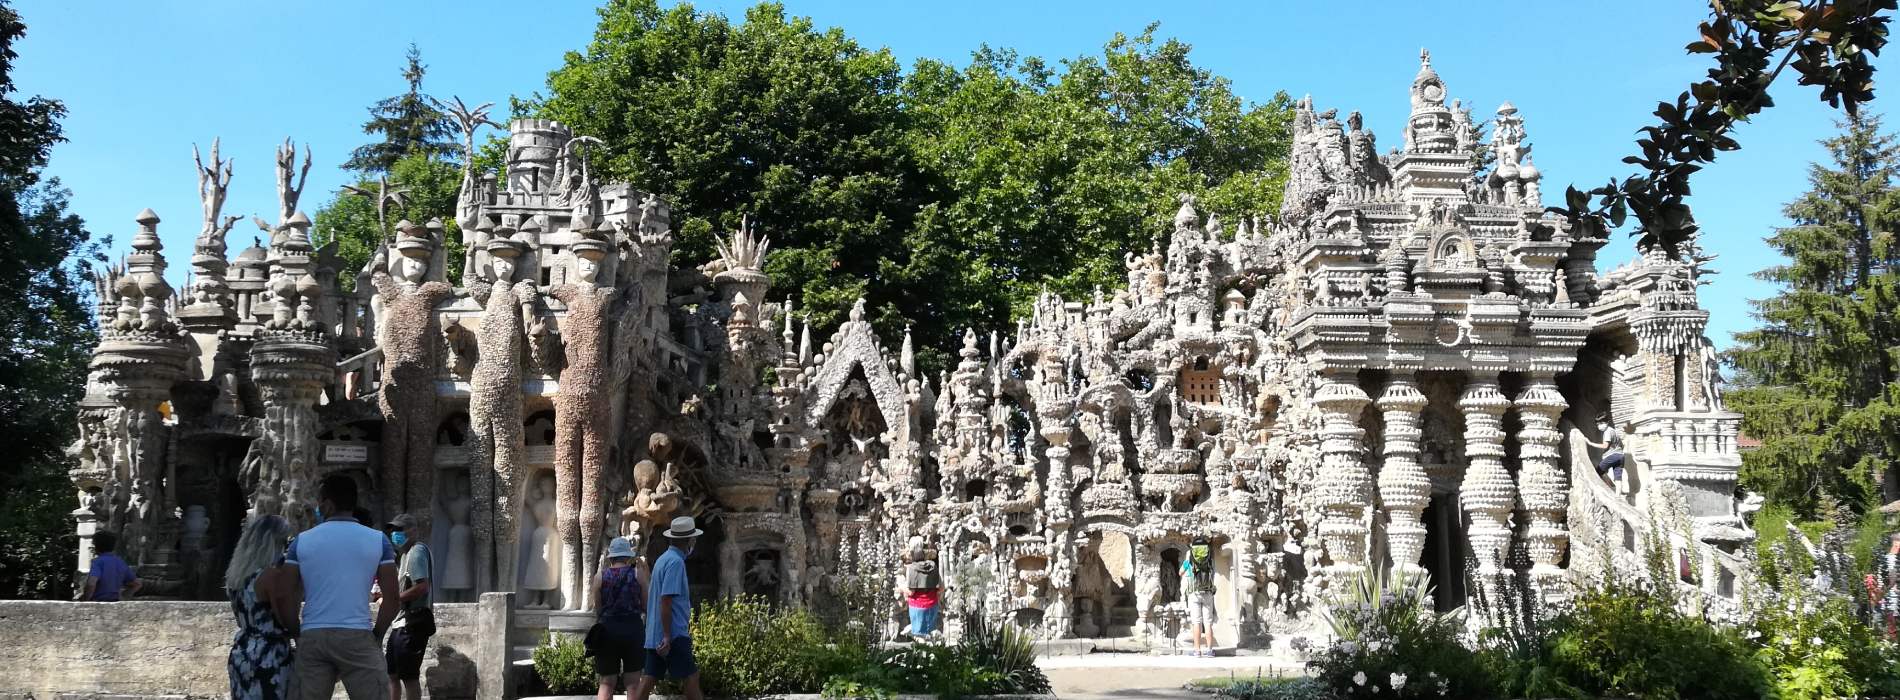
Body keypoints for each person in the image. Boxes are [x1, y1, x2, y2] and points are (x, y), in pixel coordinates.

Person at [288, 475, 401, 700]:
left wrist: (297, 633)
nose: (318, 507)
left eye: (319, 501)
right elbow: (393, 598)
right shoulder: (378, 541)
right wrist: (377, 635)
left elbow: (286, 595)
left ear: (328, 503)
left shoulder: (301, 541)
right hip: (357, 635)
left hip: (313, 635)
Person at [227, 514, 299, 700]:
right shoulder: (270, 576)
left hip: (241, 652)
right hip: (269, 656)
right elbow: (287, 619)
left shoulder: (236, 577)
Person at [633, 517, 703, 700]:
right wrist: (666, 636)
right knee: (691, 677)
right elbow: (666, 600)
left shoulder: (663, 559)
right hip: (673, 634)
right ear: (688, 541)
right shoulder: (676, 563)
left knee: (648, 679)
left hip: (656, 633)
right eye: (693, 539)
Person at [382, 514, 434, 700]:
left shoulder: (417, 551)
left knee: (409, 677)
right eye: (393, 530)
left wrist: (392, 598)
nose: (395, 534)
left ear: (413, 531)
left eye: (400, 529)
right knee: (392, 674)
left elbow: (422, 587)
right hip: (401, 624)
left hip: (413, 623)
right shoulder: (405, 555)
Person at [589, 536, 647, 700]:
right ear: (628, 556)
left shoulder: (600, 577)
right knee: (633, 683)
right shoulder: (638, 574)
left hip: (607, 630)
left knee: (606, 682)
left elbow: (598, 607)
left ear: (611, 556)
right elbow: (645, 604)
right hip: (633, 629)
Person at [1180, 537, 1217, 658]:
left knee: (1196, 622)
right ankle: (1210, 650)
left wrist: (1187, 567)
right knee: (1208, 622)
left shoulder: (1189, 555)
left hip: (1194, 593)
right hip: (1207, 592)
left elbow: (1180, 572)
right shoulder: (1209, 555)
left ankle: (1197, 650)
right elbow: (1213, 571)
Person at [82, 531, 141, 601]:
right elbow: (137, 584)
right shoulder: (120, 562)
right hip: (115, 602)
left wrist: (85, 600)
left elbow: (91, 584)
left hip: (98, 602)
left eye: (93, 545)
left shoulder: (98, 562)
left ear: (97, 546)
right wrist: (124, 596)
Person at [904, 536, 942, 638]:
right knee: (930, 633)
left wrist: (901, 588)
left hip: (917, 606)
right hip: (932, 605)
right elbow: (941, 588)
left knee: (918, 635)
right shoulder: (933, 566)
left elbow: (911, 592)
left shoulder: (911, 568)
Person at [1584, 417, 1628, 491]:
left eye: (1601, 424)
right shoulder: (1614, 431)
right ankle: (1618, 496)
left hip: (1612, 456)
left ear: (1607, 422)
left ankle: (1609, 488)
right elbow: (1622, 445)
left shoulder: (1607, 431)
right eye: (1597, 424)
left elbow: (1605, 445)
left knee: (1597, 472)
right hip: (1621, 456)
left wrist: (1590, 443)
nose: (1599, 426)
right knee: (1618, 477)